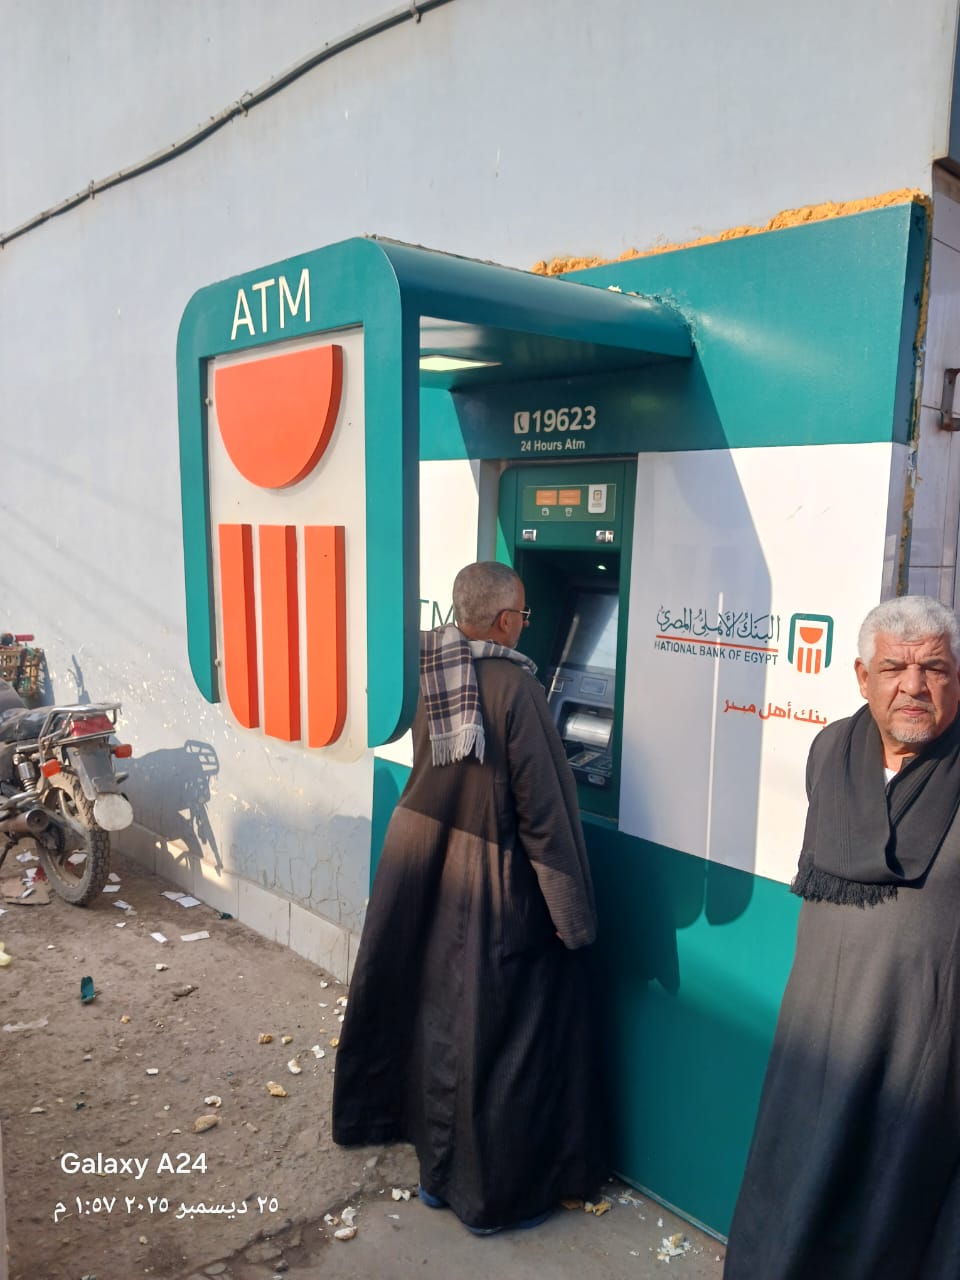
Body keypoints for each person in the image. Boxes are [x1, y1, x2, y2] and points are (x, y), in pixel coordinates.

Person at [332, 560, 607, 1234]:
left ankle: (435, 1174)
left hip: (425, 867)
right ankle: (486, 1199)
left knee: (439, 1019)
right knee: (500, 1034)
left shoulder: (429, 667)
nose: (526, 625)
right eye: (524, 616)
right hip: (492, 879)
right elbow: (544, 816)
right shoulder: (517, 687)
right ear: (506, 620)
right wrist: (572, 917)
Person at [724, 595, 960, 1280]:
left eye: (934, 669)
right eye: (894, 669)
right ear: (862, 677)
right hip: (817, 1030)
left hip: (920, 1048)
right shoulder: (830, 749)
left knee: (890, 1206)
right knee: (796, 1185)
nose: (914, 687)